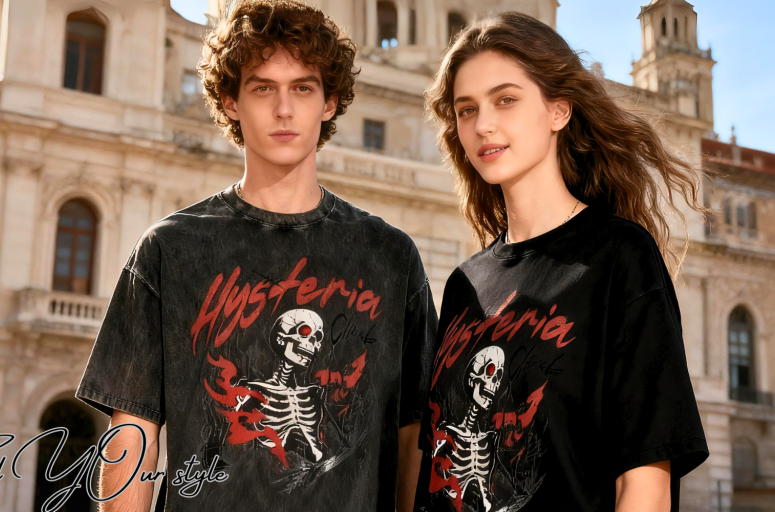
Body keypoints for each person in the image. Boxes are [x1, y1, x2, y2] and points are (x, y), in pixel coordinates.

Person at [75, 1, 436, 511]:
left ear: (329, 102)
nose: (284, 110)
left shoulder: (391, 257)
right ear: (231, 101)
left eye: (303, 89)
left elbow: (416, 436)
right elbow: (133, 437)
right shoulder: (169, 249)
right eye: (263, 88)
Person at [412, 11, 709, 512]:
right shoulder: (466, 283)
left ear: (558, 110)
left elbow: (645, 481)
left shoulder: (619, 258)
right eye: (466, 110)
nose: (483, 125)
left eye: (506, 100)